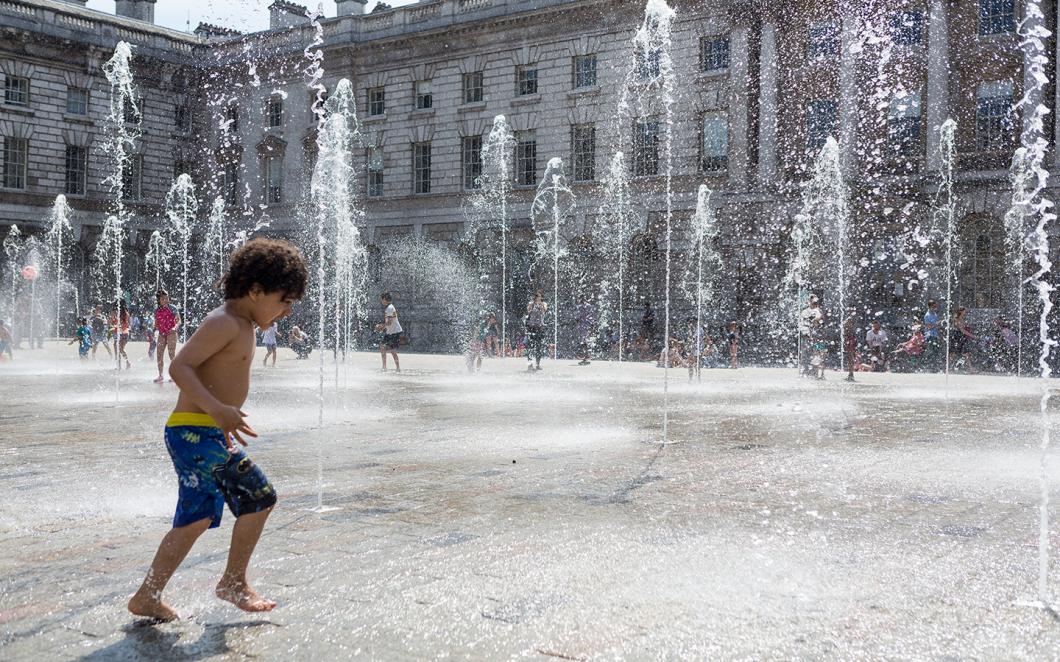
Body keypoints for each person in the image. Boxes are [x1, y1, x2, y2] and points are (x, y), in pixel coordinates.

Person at [127, 237, 307, 623]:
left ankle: (231, 582)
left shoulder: (245, 323)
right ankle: (149, 594)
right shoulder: (224, 322)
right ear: (256, 291)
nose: (288, 312)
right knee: (196, 516)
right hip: (192, 430)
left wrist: (221, 418)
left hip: (210, 433)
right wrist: (217, 409)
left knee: (259, 498)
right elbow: (180, 368)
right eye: (285, 301)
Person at [155, 290, 181, 383]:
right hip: (162, 334)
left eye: (167, 298)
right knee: (159, 354)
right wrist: (155, 327)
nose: (166, 300)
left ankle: (174, 375)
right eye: (163, 299)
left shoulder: (172, 308)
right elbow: (156, 323)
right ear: (159, 300)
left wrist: (174, 328)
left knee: (171, 354)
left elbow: (178, 321)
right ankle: (160, 375)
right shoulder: (157, 310)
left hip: (171, 333)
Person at [375, 292, 402, 373]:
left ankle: (398, 368)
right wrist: (383, 327)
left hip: (394, 332)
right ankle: (384, 366)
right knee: (382, 347)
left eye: (381, 299)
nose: (381, 301)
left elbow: (389, 322)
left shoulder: (390, 308)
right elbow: (389, 322)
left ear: (384, 299)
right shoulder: (389, 308)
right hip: (390, 332)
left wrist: (381, 326)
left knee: (392, 350)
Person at [799, 296, 823, 376]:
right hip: (807, 337)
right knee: (805, 355)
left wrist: (815, 319)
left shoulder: (818, 310)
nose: (815, 304)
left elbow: (819, 317)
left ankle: (816, 373)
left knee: (817, 355)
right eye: (813, 303)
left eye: (816, 303)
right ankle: (805, 372)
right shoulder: (805, 311)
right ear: (809, 302)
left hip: (818, 337)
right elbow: (801, 324)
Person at [525, 290, 548, 372]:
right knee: (530, 347)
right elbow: (528, 311)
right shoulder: (531, 304)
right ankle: (530, 364)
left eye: (538, 296)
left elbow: (544, 310)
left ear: (541, 297)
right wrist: (533, 304)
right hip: (531, 327)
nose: (537, 298)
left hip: (540, 328)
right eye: (536, 296)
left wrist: (540, 303)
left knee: (539, 347)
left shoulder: (544, 304)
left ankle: (538, 364)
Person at [950, 307, 976, 372]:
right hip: (957, 338)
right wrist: (972, 336)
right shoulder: (957, 319)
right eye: (964, 311)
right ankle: (946, 368)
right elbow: (962, 330)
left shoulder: (962, 319)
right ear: (961, 311)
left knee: (966, 353)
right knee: (953, 354)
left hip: (961, 338)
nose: (965, 312)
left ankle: (971, 368)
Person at [922, 299, 941, 371]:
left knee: (936, 351)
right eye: (934, 306)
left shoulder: (934, 314)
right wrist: (937, 324)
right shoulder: (927, 315)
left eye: (935, 306)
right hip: (929, 335)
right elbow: (929, 327)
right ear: (929, 306)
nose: (935, 307)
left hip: (935, 335)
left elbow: (936, 326)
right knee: (931, 351)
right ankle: (929, 366)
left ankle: (934, 367)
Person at [576, 301, 595, 366]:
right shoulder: (585, 307)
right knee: (585, 342)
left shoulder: (585, 307)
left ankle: (586, 357)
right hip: (584, 327)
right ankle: (586, 357)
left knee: (585, 342)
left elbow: (578, 318)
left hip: (585, 327)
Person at [115, 301, 132, 370]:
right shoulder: (126, 313)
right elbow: (128, 324)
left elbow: (125, 324)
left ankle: (127, 363)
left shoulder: (123, 314)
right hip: (124, 333)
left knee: (120, 350)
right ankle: (119, 365)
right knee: (120, 350)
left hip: (123, 333)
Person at [842, 308, 857, 382]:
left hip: (850, 340)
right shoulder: (851, 318)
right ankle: (850, 374)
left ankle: (851, 374)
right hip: (850, 339)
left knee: (850, 357)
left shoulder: (850, 319)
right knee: (850, 357)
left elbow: (845, 326)